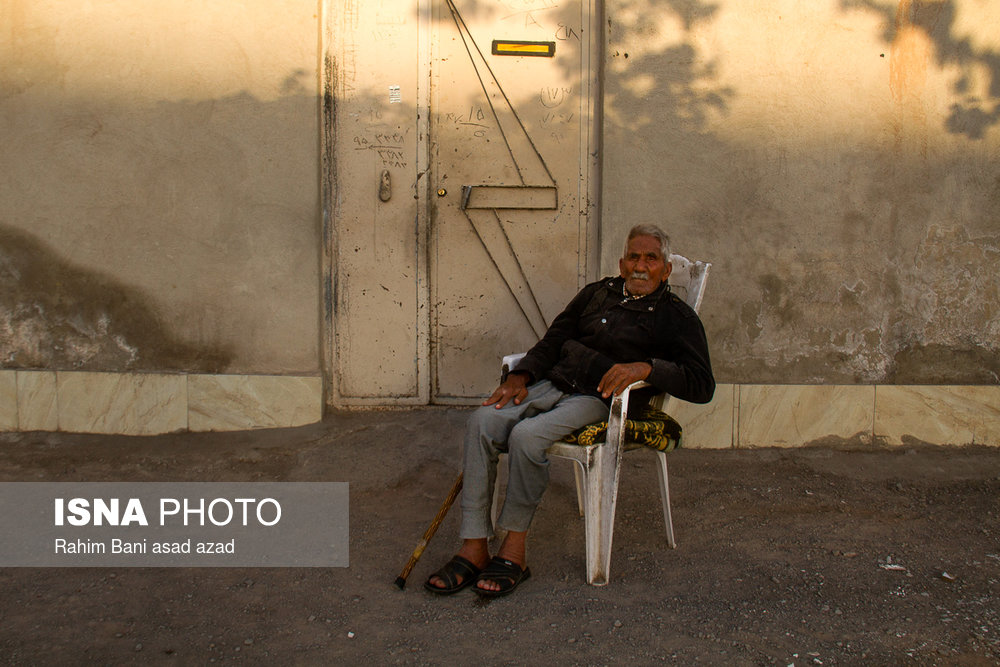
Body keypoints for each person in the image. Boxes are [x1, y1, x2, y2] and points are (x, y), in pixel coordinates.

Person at [425, 224, 715, 597]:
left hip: (600, 400)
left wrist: (647, 369)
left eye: (651, 258)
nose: (640, 266)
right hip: (554, 382)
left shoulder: (676, 317)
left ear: (666, 269)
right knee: (482, 420)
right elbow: (556, 338)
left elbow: (702, 383)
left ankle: (513, 550)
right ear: (622, 263)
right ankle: (474, 546)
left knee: (527, 437)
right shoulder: (597, 293)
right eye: (633, 257)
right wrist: (522, 375)